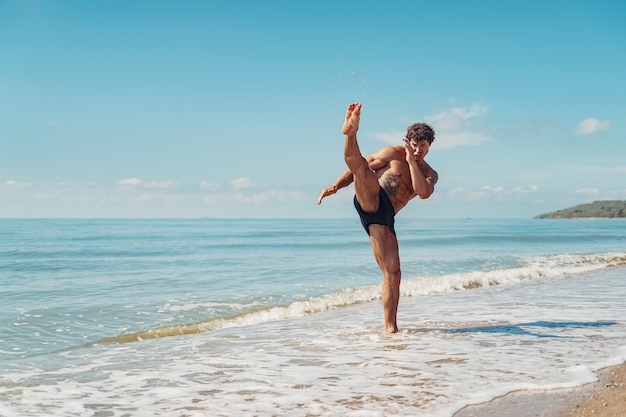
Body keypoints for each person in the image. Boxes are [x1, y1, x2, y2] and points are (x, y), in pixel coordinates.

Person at [317, 102, 438, 333]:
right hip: (373, 196)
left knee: (393, 271)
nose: (417, 150)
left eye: (423, 146)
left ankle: (390, 328)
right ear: (407, 141)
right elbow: (357, 169)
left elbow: (423, 192)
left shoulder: (430, 174)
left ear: (429, 146)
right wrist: (335, 186)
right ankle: (351, 133)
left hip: (386, 216)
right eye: (414, 145)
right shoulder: (391, 153)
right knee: (363, 169)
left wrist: (412, 163)